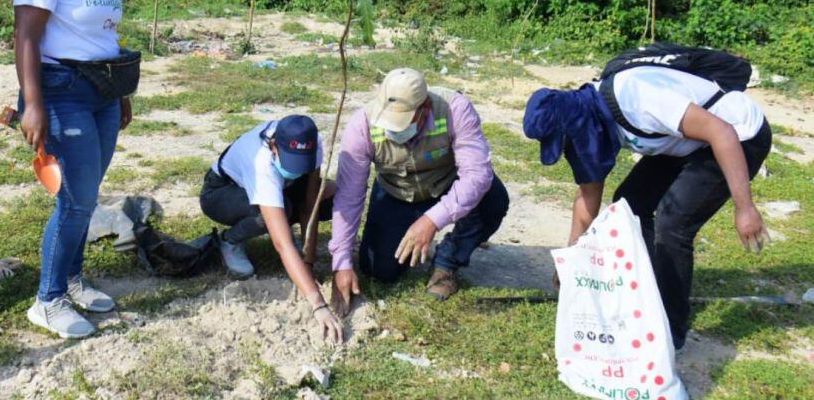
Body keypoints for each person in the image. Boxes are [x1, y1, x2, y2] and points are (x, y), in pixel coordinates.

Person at [522, 47, 772, 350]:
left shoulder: (637, 99)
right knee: (630, 202)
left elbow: (722, 133)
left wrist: (744, 208)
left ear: (576, 127)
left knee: (673, 222)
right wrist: (572, 263)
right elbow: (587, 202)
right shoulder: (591, 124)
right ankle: (650, 294)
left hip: (738, 135)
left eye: (565, 143)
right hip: (684, 142)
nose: (570, 149)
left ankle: (670, 328)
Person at [14, 0, 137, 339]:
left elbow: (105, 33)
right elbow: (25, 37)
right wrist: (32, 103)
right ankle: (47, 300)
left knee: (88, 192)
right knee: (75, 198)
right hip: (61, 90)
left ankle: (71, 280)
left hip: (102, 91)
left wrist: (119, 91)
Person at [329, 68, 509, 314]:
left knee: (493, 202)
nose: (394, 130)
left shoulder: (454, 109)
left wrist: (431, 221)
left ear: (424, 109)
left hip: (447, 184)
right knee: (379, 270)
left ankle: (447, 261)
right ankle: (404, 240)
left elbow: (477, 175)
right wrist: (341, 262)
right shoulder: (362, 124)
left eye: (402, 123)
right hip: (397, 192)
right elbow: (349, 197)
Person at [200, 115, 343, 343]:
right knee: (274, 215)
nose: (296, 169)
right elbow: (282, 244)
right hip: (221, 193)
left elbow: (310, 205)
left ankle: (295, 255)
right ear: (275, 146)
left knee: (333, 195)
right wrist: (317, 303)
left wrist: (308, 262)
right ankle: (230, 241)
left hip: (281, 188)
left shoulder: (312, 142)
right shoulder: (261, 163)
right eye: (291, 162)